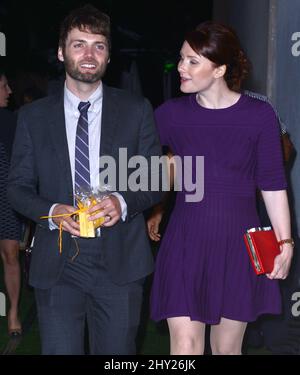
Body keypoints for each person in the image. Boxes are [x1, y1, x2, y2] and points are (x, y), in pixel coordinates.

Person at [8, 5, 162, 355]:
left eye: (99, 45)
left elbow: (153, 179)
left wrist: (121, 202)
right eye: (79, 45)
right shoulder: (33, 117)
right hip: (58, 260)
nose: (89, 54)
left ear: (109, 55)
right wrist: (51, 210)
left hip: (120, 261)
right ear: (62, 52)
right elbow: (16, 188)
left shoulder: (136, 109)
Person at [148, 21, 294, 355]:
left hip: (238, 246)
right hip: (185, 242)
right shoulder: (169, 115)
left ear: (220, 69)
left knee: (227, 349)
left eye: (192, 61)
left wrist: (285, 242)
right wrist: (154, 208)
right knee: (184, 348)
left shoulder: (259, 115)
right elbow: (147, 170)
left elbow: (272, 184)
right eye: (181, 58)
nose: (180, 67)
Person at [0, 69, 22, 337]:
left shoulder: (10, 120)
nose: (9, 91)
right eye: (4, 85)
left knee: (10, 254)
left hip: (6, 197)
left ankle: (13, 310)